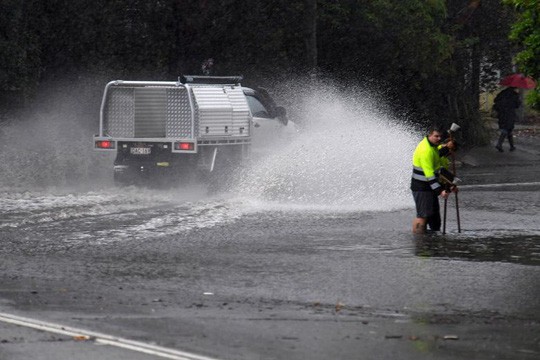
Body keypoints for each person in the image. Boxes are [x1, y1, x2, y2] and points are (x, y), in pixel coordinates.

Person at [411, 127, 457, 234]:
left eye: (440, 136)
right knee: (423, 215)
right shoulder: (425, 150)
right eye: (436, 136)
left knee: (434, 217)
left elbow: (438, 159)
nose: (439, 138)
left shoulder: (433, 146)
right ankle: (419, 241)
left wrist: (451, 184)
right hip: (421, 187)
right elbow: (429, 175)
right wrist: (440, 191)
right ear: (429, 135)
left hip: (429, 186)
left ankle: (432, 240)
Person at [493, 86, 520, 152]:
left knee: (508, 129)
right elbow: (517, 105)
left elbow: (495, 100)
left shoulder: (502, 93)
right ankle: (499, 144)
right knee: (507, 128)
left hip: (501, 113)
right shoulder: (514, 95)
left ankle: (512, 146)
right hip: (509, 114)